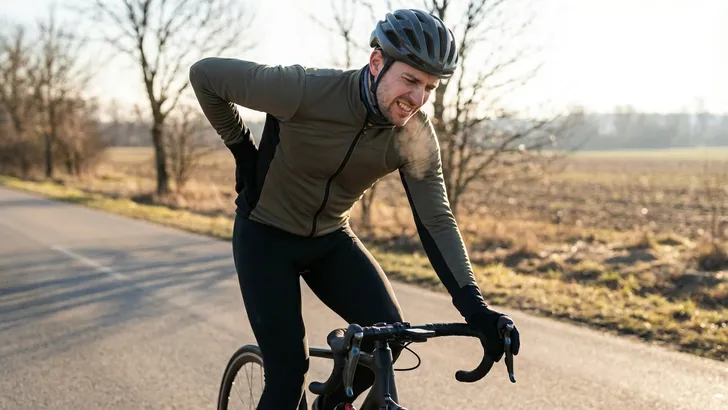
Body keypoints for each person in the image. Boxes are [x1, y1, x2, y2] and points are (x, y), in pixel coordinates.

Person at [189, 8, 521, 410]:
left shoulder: (413, 136)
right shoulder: (303, 90)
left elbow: (436, 221)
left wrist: (475, 307)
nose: (418, 99)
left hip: (330, 239)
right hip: (265, 237)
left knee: (389, 337)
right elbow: (205, 75)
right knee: (288, 375)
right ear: (377, 62)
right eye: (410, 80)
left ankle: (329, 404)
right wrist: (241, 148)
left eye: (430, 87)